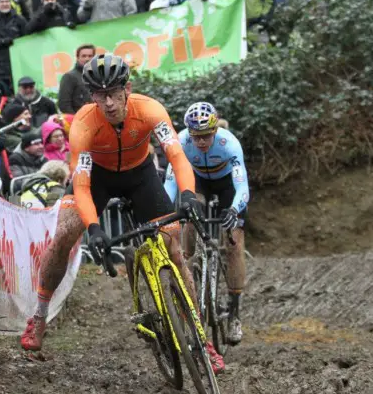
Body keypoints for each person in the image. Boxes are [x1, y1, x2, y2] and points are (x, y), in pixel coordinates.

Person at [19, 54, 225, 373]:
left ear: (127, 88)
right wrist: (95, 228)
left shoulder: (150, 110)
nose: (110, 102)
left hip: (139, 175)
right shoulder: (84, 126)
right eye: (101, 95)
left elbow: (177, 158)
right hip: (98, 179)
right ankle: (39, 315)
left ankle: (200, 338)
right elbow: (83, 186)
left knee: (175, 251)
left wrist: (186, 194)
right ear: (92, 96)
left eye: (115, 92)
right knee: (63, 235)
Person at [163, 102, 250, 345]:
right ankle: (190, 281)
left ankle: (234, 313)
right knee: (189, 222)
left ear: (215, 130)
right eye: (196, 137)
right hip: (198, 184)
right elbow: (170, 182)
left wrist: (234, 208)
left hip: (226, 187)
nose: (201, 142)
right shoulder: (180, 142)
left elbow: (241, 185)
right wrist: (163, 211)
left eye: (206, 136)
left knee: (234, 241)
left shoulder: (229, 143)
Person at [57, 43, 93, 114]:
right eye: (84, 56)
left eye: (90, 56)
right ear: (77, 58)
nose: (87, 59)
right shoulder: (69, 77)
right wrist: (77, 121)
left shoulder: (96, 76)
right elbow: (64, 105)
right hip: (79, 121)